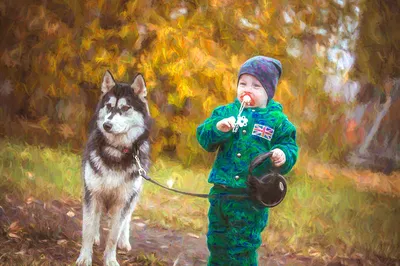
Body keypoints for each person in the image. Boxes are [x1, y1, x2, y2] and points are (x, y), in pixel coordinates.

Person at [196, 56, 299, 266]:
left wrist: (283, 154)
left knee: (242, 246)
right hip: (221, 193)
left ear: (268, 92)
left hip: (251, 197)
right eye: (242, 83)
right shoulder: (226, 112)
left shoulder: (276, 121)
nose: (247, 89)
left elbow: (289, 145)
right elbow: (204, 137)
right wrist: (218, 128)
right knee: (217, 242)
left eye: (256, 85)